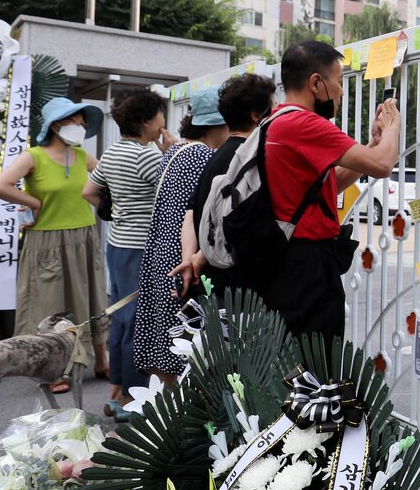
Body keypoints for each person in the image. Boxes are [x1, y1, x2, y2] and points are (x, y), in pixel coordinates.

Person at [174, 41, 399, 344]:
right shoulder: (303, 123)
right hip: (306, 269)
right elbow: (383, 165)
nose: (342, 92)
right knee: (313, 368)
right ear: (317, 84)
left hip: (286, 265)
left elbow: (326, 186)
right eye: (339, 81)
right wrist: (394, 126)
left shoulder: (275, 122)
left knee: (291, 366)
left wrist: (372, 145)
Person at [0, 97, 108, 380]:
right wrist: (33, 202)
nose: (80, 125)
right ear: (56, 125)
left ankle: (102, 362)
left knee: (93, 300)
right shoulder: (34, 156)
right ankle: (52, 372)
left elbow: (107, 176)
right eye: (74, 121)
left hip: (84, 236)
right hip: (47, 242)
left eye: (82, 121)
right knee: (49, 307)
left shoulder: (82, 157)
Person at [131, 89, 231, 387]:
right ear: (218, 125)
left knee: (164, 338)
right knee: (183, 339)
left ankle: (161, 413)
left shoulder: (175, 152)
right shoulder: (204, 157)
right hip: (183, 258)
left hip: (161, 254)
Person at [83, 88, 174, 410]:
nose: (165, 119)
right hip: (141, 247)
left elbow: (89, 192)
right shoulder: (148, 156)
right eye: (162, 114)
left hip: (117, 244)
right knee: (140, 319)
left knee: (122, 317)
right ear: (148, 122)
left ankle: (118, 386)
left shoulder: (113, 152)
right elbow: (174, 192)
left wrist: (115, 210)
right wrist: (173, 153)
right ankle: (134, 396)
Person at [182, 72, 276, 295]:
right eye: (271, 110)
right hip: (239, 290)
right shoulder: (247, 161)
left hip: (215, 282)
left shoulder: (214, 158)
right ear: (256, 116)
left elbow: (193, 212)